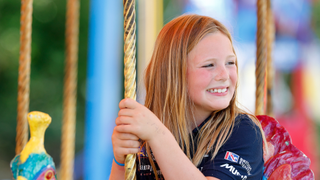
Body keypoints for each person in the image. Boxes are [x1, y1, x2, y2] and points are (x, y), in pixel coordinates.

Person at [110, 14, 266, 180]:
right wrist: (120, 163)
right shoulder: (145, 137)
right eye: (209, 65)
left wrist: (157, 134)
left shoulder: (242, 132)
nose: (224, 74)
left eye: (230, 62)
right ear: (173, 74)